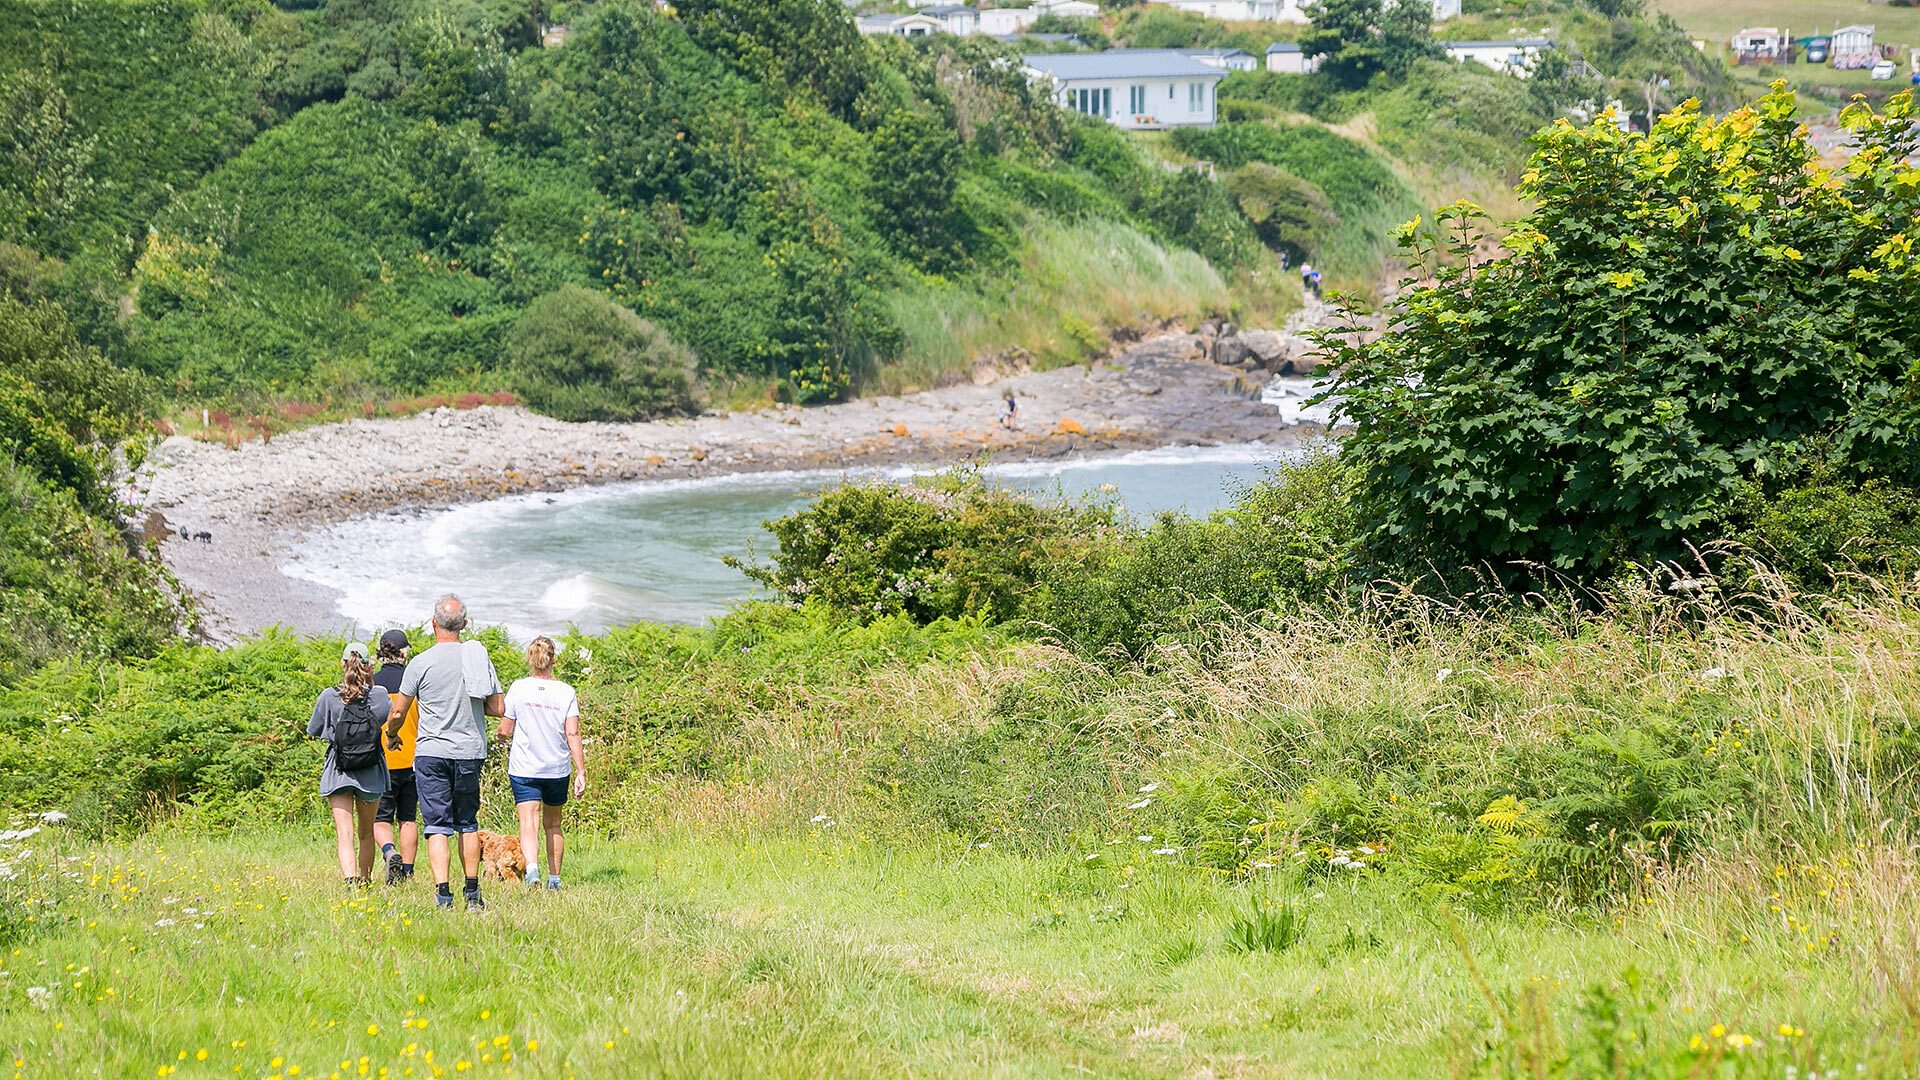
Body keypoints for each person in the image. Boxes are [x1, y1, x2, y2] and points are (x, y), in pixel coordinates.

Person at [386, 595, 503, 911]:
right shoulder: (478, 659)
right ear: (464, 625)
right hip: (469, 751)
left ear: (433, 623)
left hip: (432, 753)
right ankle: (473, 893)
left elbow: (398, 712)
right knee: (467, 822)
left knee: (437, 825)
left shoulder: (420, 663)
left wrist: (392, 734)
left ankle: (443, 895)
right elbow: (498, 707)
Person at [498, 637, 587, 890]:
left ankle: (533, 871)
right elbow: (573, 733)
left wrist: (500, 736)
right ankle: (555, 879)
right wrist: (580, 771)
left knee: (529, 822)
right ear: (553, 659)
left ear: (530, 659)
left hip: (524, 767)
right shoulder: (566, 692)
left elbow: (505, 728)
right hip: (556, 768)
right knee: (553, 824)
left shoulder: (518, 688)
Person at [307, 642, 392, 888]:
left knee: (345, 833)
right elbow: (388, 718)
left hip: (339, 769)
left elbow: (315, 729)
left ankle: (350, 881)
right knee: (367, 832)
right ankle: (365, 882)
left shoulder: (328, 696)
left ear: (342, 664)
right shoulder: (378, 695)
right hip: (371, 770)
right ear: (369, 667)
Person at [370, 629, 420, 886]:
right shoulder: (414, 683)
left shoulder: (373, 684)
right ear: (403, 653)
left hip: (382, 762)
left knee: (381, 819)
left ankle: (390, 851)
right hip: (413, 760)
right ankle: (407, 872)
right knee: (408, 818)